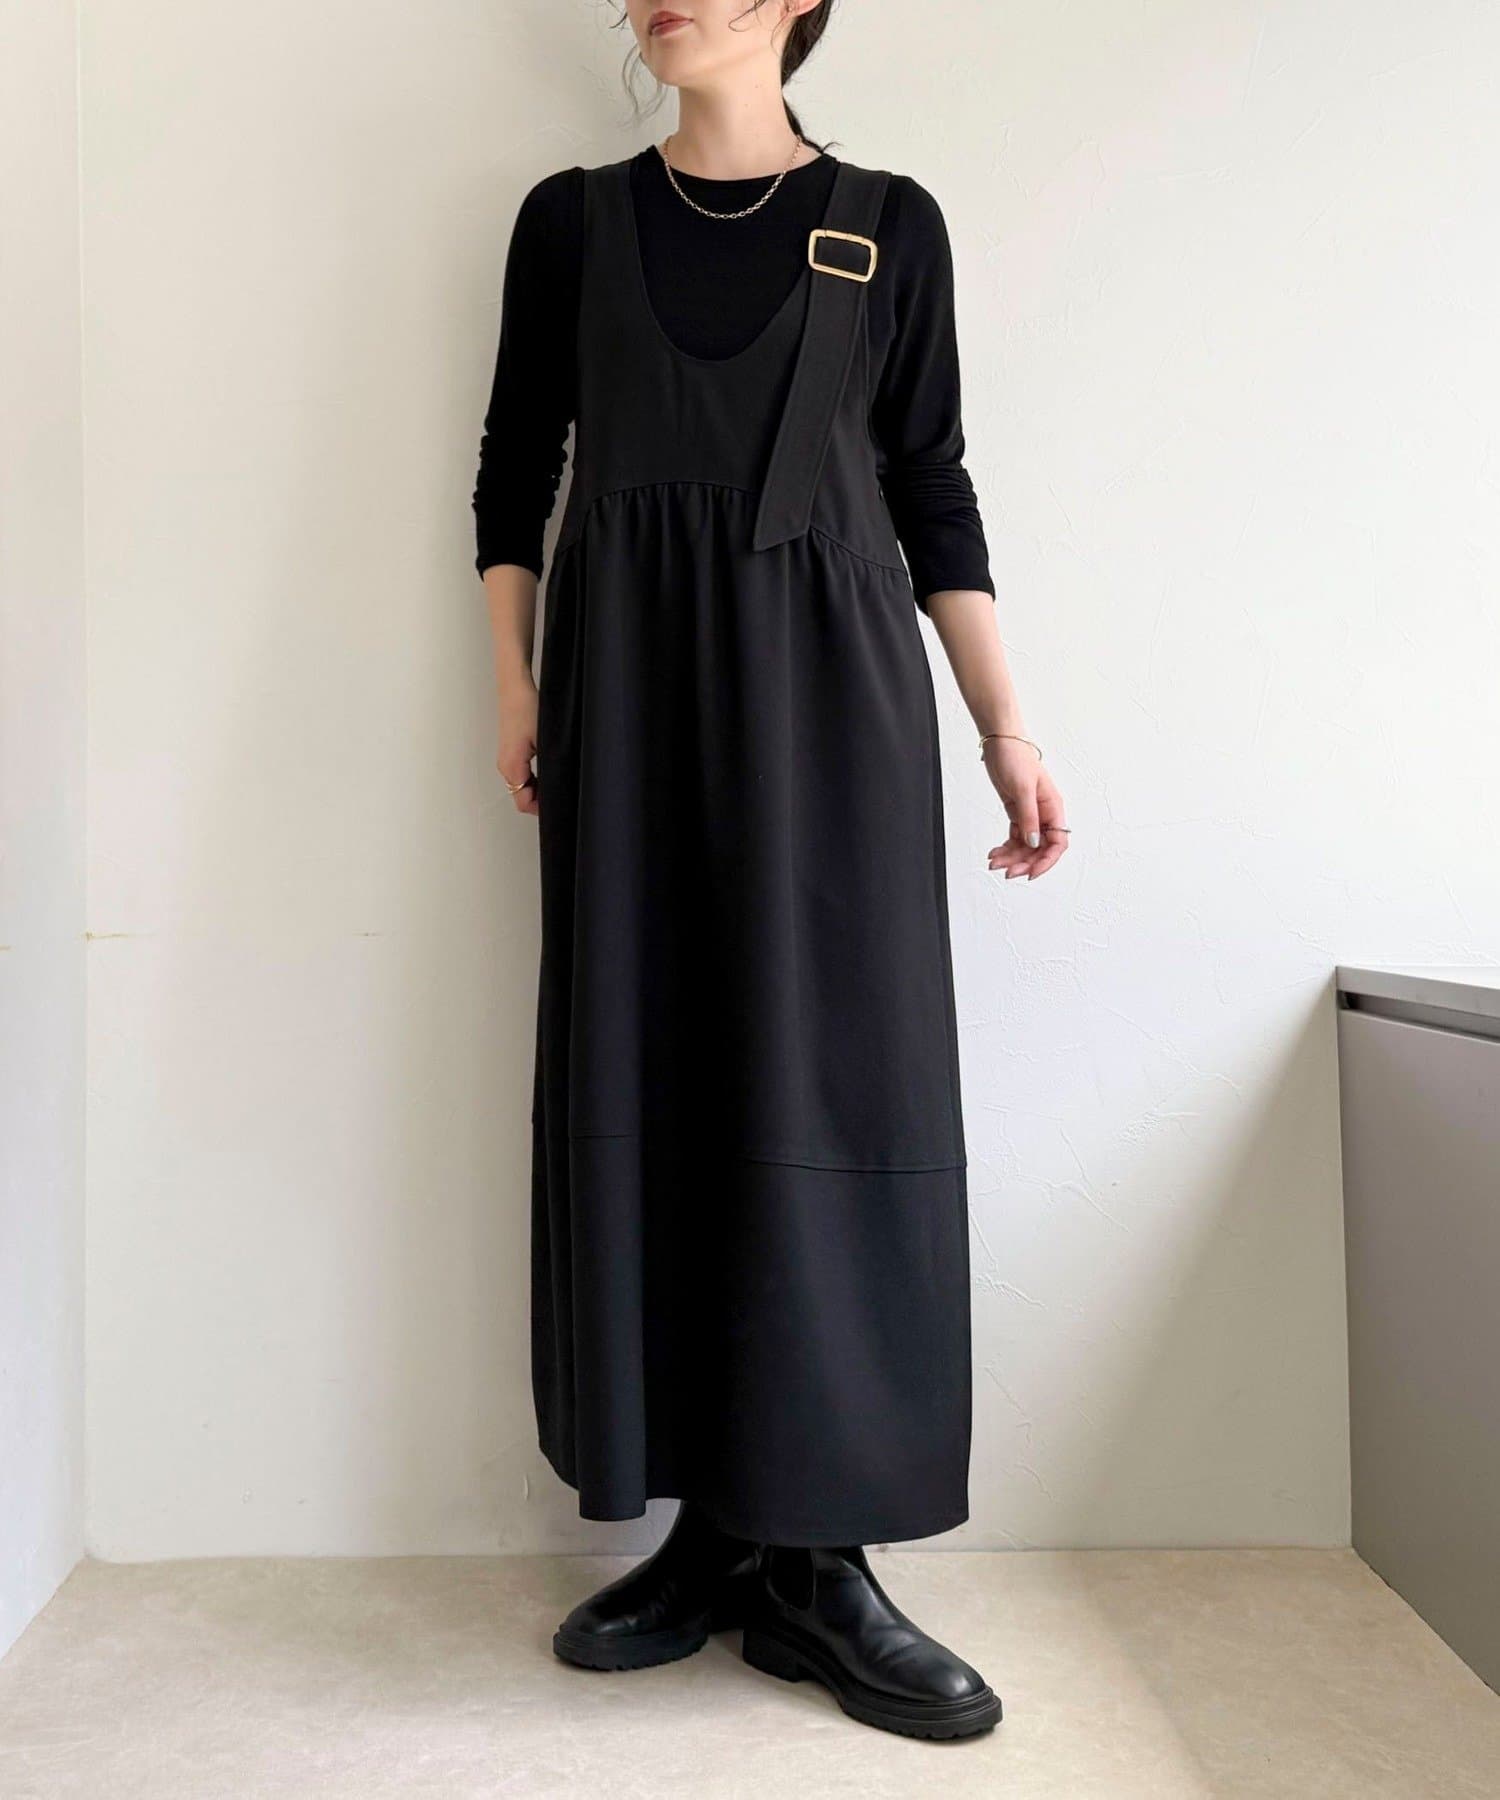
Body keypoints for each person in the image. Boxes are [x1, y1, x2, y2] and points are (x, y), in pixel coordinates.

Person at [471, 0, 1068, 1742]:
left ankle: (823, 1561)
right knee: (652, 1075)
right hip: (625, 699)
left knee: (835, 1082)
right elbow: (515, 467)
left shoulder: (889, 226)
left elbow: (932, 486)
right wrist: (513, 684)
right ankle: (714, 1535)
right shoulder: (571, 223)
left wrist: (1007, 727)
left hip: (834, 701)